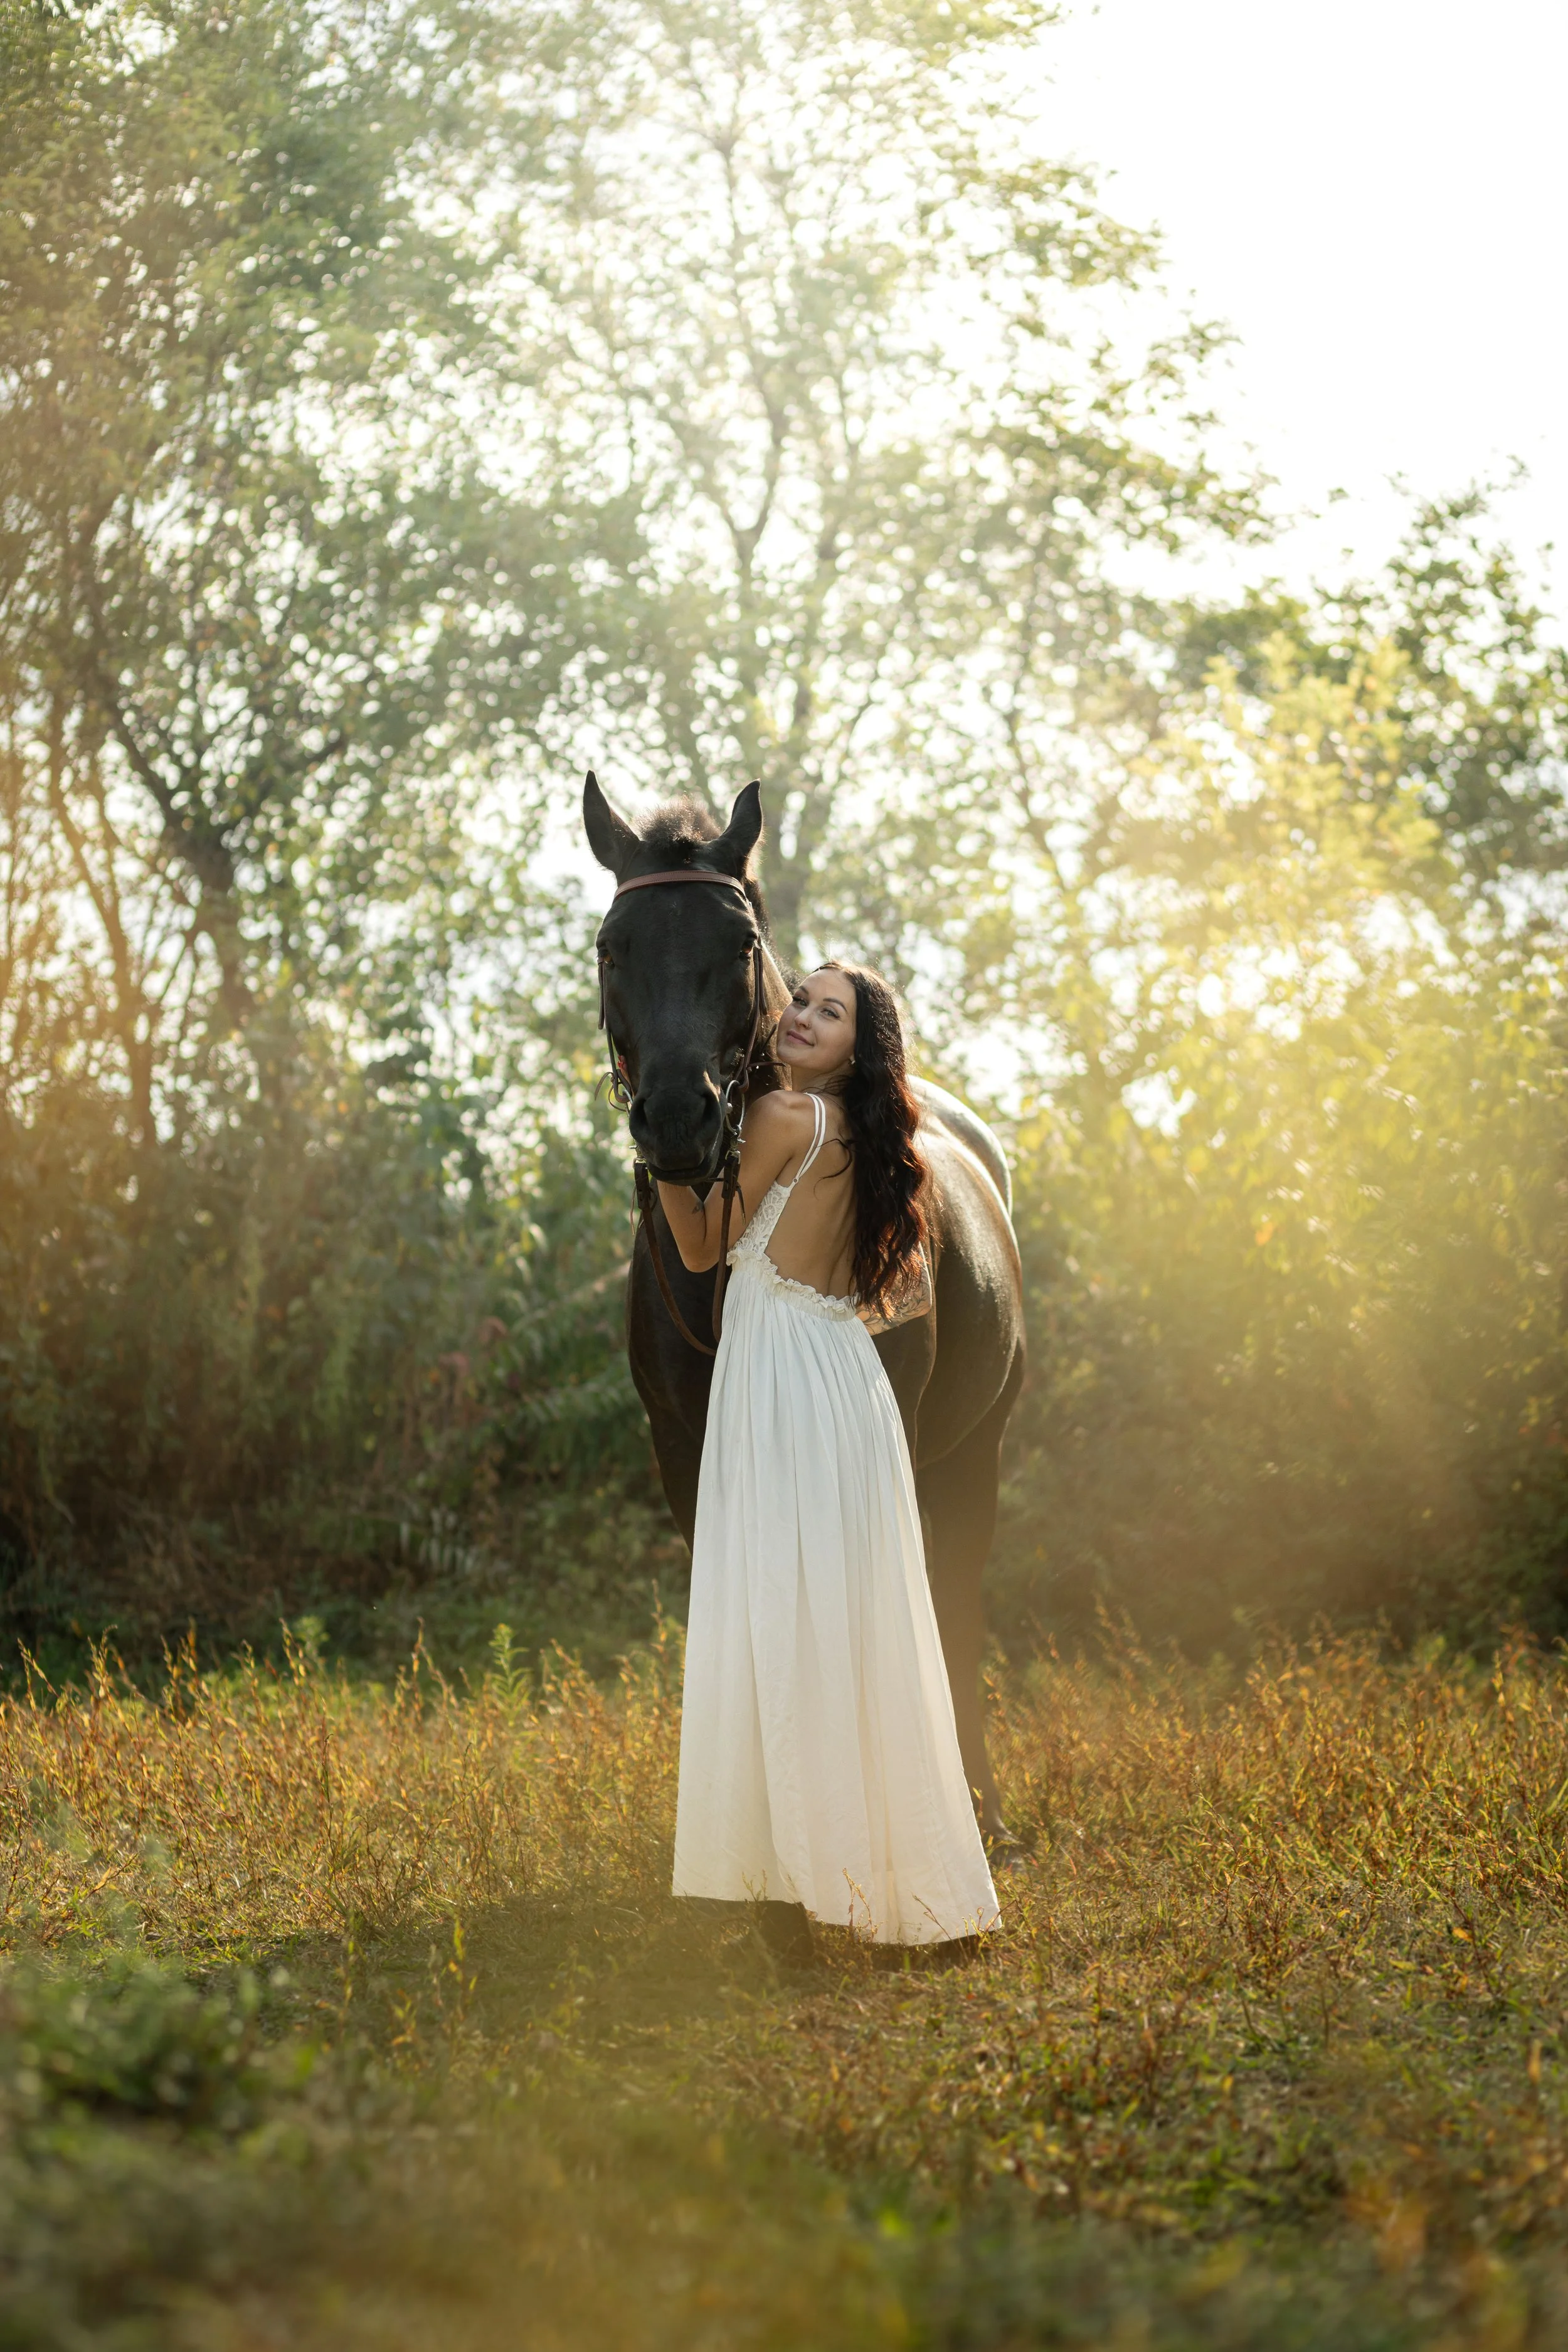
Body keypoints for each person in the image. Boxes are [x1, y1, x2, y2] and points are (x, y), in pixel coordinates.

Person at [657, 962, 1000, 1957]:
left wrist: (669, 1157)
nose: (800, 1017)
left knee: (780, 1616)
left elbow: (698, 1249)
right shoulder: (873, 1139)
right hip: (841, 1377)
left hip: (780, 1381)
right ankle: (905, 1887)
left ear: (860, 1042)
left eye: (828, 1011)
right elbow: (890, 1293)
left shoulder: (785, 1120)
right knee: (859, 1631)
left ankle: (800, 1887)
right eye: (798, 1000)